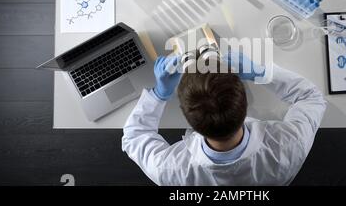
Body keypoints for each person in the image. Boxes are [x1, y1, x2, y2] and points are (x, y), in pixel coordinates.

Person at [122, 53, 326, 185]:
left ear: (188, 118)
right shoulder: (289, 146)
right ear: (244, 103)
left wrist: (159, 93)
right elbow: (310, 97)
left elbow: (134, 136)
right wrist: (260, 72)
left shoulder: (171, 171)